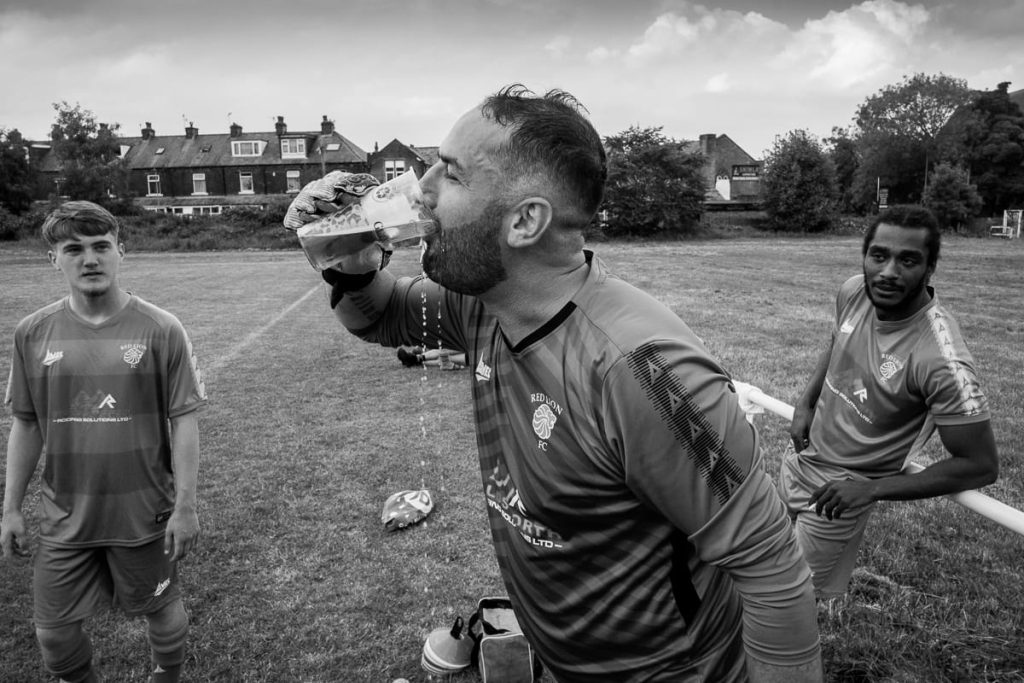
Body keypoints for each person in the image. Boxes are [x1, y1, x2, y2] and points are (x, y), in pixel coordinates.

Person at [294, 85, 821, 682]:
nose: (422, 189)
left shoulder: (641, 370)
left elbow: (770, 567)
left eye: (452, 174)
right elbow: (383, 315)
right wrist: (350, 264)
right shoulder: (485, 305)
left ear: (525, 221)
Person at [1, 201, 207, 683]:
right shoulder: (32, 332)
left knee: (162, 609)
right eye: (74, 249)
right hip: (64, 514)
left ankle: (167, 674)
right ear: (54, 259)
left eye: (101, 246)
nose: (90, 259)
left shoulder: (161, 328)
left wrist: (185, 506)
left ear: (121, 252)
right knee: (53, 634)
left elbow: (183, 420)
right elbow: (27, 424)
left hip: (143, 511)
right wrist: (10, 508)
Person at [782, 204, 999, 599]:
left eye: (908, 260)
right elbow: (838, 339)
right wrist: (805, 401)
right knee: (761, 566)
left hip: (839, 494)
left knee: (791, 599)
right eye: (878, 255)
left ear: (930, 268)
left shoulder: (941, 360)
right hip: (798, 460)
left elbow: (980, 465)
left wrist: (871, 489)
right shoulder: (854, 291)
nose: (888, 272)